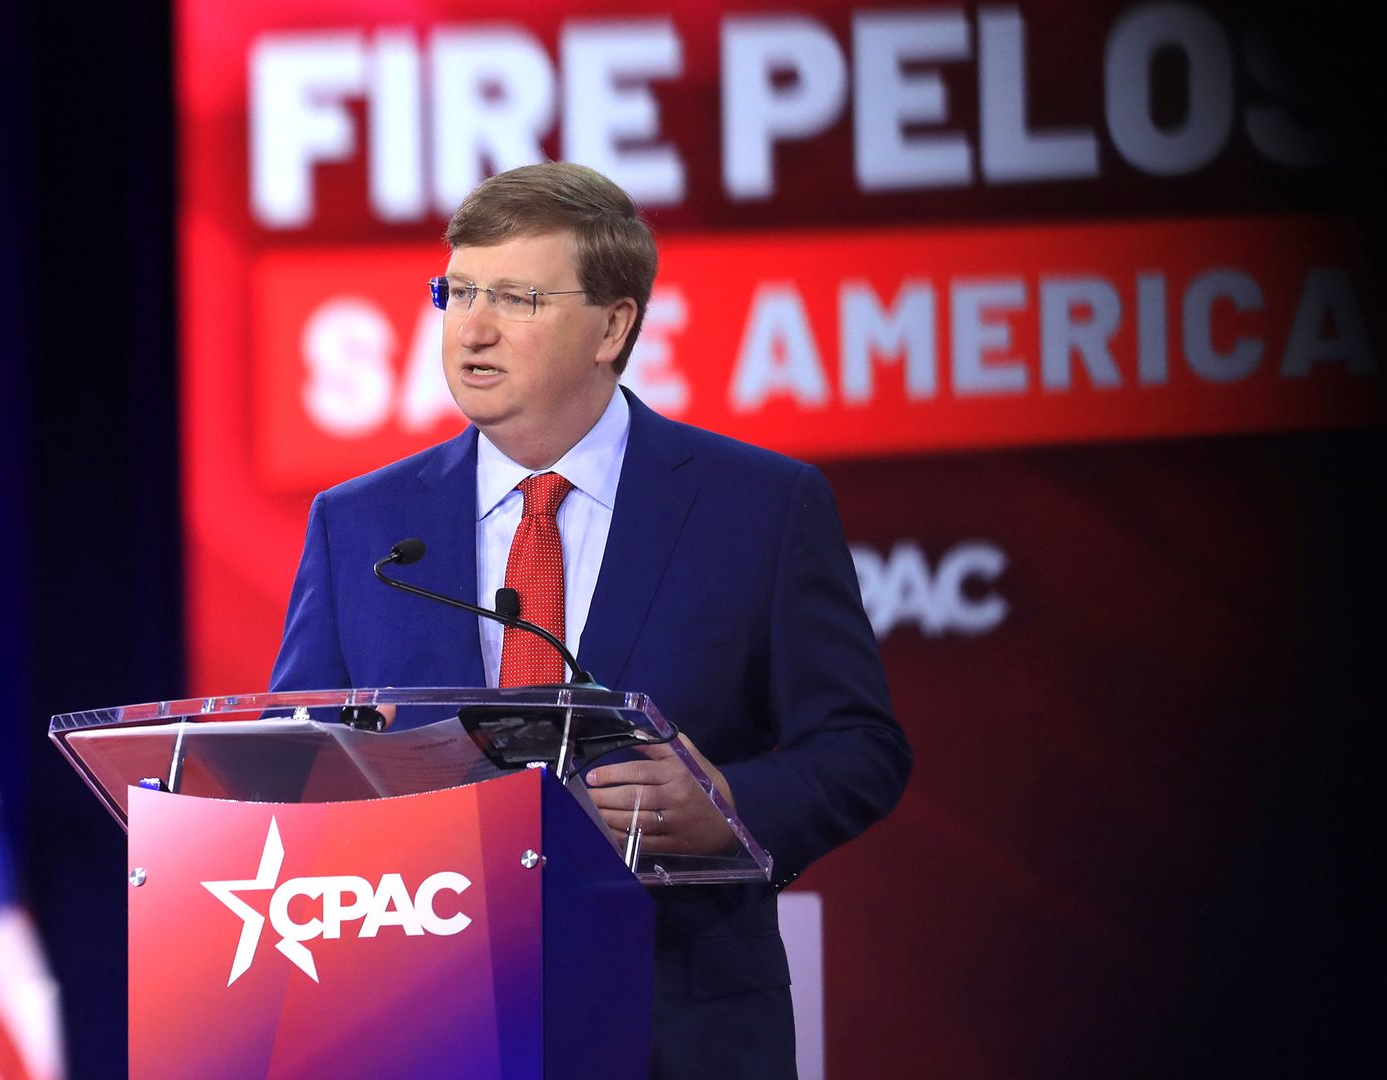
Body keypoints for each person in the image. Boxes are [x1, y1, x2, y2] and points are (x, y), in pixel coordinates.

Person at [269, 161, 911, 1078]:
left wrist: (727, 804)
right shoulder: (361, 525)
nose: (472, 330)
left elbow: (859, 746)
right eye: (457, 292)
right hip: (422, 1019)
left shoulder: (760, 507)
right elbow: (302, 759)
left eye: (519, 299)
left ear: (613, 326)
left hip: (674, 1025)